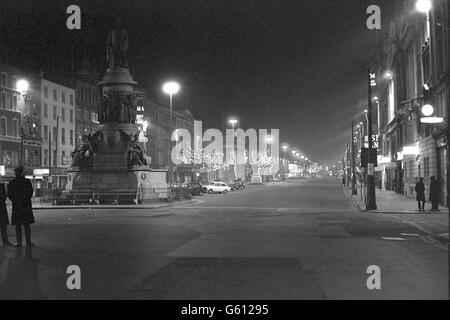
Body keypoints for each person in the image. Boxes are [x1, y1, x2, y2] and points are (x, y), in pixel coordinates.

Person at [7, 166, 35, 247]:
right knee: (26, 225)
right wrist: (25, 200)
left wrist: (15, 200)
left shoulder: (12, 183)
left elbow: (9, 194)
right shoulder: (27, 181)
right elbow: (30, 193)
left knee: (18, 226)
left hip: (17, 207)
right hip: (25, 206)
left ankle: (19, 242)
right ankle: (28, 242)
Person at [0, 181, 13, 248]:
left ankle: (5, 241)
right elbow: (4, 196)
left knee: (3, 227)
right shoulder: (1, 186)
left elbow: (5, 196)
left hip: (1, 208)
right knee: (3, 227)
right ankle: (5, 241)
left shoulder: (2, 186)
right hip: (2, 208)